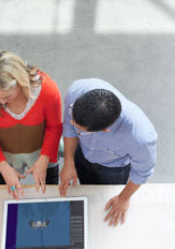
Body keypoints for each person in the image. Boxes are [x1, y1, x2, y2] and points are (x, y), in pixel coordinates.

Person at [59, 78, 157, 226]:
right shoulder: (76, 92)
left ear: (104, 130)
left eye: (79, 128)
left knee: (102, 205)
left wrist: (124, 198)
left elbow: (142, 172)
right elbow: (68, 126)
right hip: (82, 154)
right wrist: (69, 162)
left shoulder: (140, 137)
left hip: (113, 169)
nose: (72, 124)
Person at [0, 50, 62, 199]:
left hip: (43, 149)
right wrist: (2, 166)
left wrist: (45, 158)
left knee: (49, 193)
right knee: (8, 194)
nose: (1, 102)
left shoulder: (48, 90)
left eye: (7, 96)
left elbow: (54, 127)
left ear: (21, 82)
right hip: (5, 155)